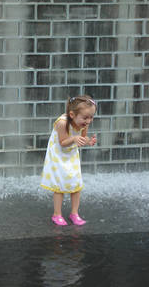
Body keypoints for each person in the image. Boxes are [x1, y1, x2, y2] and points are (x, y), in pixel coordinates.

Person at [40, 95, 97, 226]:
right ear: (72, 114)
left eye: (91, 117)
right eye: (85, 117)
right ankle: (57, 214)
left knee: (76, 184)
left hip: (71, 154)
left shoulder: (84, 123)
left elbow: (81, 139)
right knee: (59, 185)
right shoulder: (62, 123)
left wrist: (88, 141)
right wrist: (74, 139)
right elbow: (63, 142)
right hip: (58, 155)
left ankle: (74, 213)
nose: (88, 121)